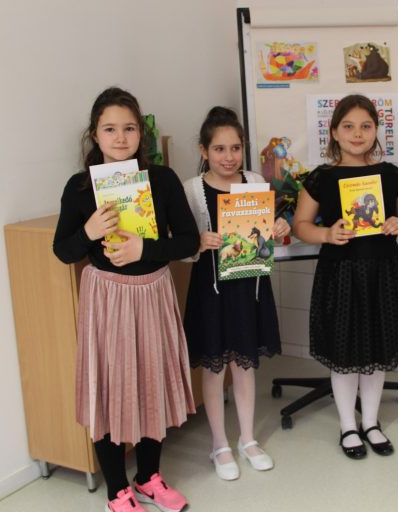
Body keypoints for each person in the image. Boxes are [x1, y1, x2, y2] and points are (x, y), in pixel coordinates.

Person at [53, 87, 199, 512]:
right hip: (108, 298)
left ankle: (148, 477)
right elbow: (63, 251)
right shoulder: (80, 188)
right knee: (109, 388)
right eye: (110, 129)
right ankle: (117, 489)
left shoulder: (162, 180)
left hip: (153, 291)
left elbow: (188, 241)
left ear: (141, 134)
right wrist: (89, 232)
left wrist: (144, 249)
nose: (120, 138)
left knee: (154, 382)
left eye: (130, 128)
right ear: (95, 135)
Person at [292, 94, 398, 460]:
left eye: (365, 126)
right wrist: (326, 233)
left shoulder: (391, 175)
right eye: (348, 126)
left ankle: (372, 422)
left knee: (378, 351)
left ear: (376, 130)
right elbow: (300, 226)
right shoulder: (321, 178)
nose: (357, 133)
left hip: (382, 273)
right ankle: (348, 425)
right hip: (341, 275)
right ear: (334, 132)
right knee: (344, 353)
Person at [182, 107, 288, 480]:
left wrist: (279, 227)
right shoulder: (192, 190)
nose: (229, 157)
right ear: (204, 151)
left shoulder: (255, 181)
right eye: (219, 149)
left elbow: (268, 233)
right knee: (215, 369)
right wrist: (198, 242)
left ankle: (247, 439)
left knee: (244, 364)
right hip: (211, 291)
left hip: (248, 287)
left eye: (235, 148)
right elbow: (182, 246)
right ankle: (219, 444)